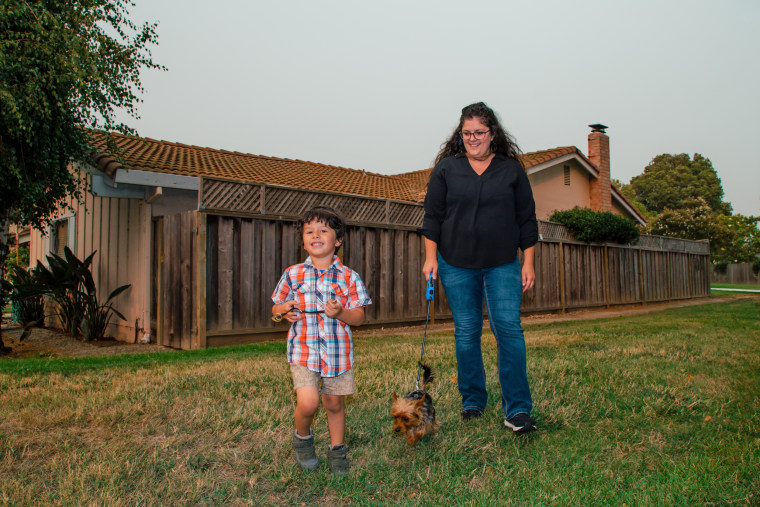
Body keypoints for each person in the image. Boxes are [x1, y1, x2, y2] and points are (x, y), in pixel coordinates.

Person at [419, 102, 539, 433]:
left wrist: (527, 262)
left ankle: (517, 410)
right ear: (461, 135)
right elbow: (433, 218)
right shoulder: (447, 169)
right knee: (467, 333)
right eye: (467, 133)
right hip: (456, 264)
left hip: (502, 265)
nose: (473, 139)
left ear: (493, 134)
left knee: (509, 331)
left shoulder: (511, 171)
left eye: (479, 133)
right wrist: (431, 258)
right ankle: (473, 400)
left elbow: (526, 220)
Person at [271, 206, 372, 474]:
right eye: (309, 231)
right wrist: (283, 311)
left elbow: (359, 317)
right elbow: (276, 307)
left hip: (337, 353)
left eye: (323, 230)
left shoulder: (349, 277)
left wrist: (341, 312)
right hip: (303, 351)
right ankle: (303, 439)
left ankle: (337, 451)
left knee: (334, 403)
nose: (315, 234)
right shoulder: (292, 274)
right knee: (309, 403)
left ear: (337, 240)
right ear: (303, 240)